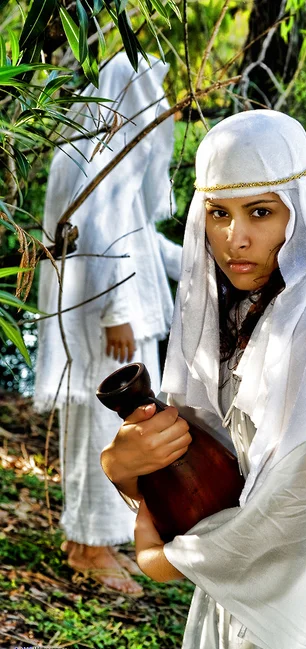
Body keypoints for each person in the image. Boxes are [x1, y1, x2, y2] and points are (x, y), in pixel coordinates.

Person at [101, 110, 306, 649]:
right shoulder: (248, 311)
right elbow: (222, 475)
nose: (234, 239)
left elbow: (299, 507)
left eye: (261, 212)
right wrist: (126, 468)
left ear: (303, 211)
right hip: (243, 569)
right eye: (218, 213)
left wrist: (162, 560)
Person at [34, 53, 182, 596]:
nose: (164, 112)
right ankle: (89, 547)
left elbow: (137, 237)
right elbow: (98, 234)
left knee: (116, 429)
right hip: (105, 323)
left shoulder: (109, 151)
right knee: (100, 429)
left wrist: (200, 260)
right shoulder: (98, 152)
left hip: (115, 318)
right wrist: (117, 312)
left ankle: (97, 538)